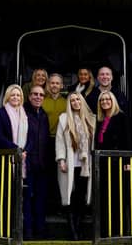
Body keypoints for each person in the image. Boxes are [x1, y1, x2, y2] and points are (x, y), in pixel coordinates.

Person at [55, 92, 95, 240]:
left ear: (82, 101)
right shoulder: (64, 119)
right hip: (70, 164)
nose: (76, 102)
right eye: (72, 100)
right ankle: (73, 232)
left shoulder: (91, 119)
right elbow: (59, 141)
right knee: (70, 196)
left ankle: (78, 229)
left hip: (85, 165)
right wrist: (61, 160)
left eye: (78, 99)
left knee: (81, 196)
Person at [95, 90, 131, 238]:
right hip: (103, 164)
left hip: (118, 163)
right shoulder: (100, 119)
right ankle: (105, 230)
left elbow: (128, 140)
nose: (105, 102)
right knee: (105, 197)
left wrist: (127, 162)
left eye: (107, 99)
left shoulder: (121, 117)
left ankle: (119, 230)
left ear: (113, 100)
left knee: (119, 197)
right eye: (102, 100)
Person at [23, 84, 51, 240]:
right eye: (35, 94)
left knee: (41, 199)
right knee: (27, 199)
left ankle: (40, 231)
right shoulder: (23, 113)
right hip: (28, 164)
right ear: (29, 96)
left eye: (41, 95)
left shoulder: (44, 114)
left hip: (42, 165)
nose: (38, 97)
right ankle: (27, 231)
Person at [42, 73, 67, 212]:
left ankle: (61, 205)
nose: (55, 85)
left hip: (62, 143)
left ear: (61, 85)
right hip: (46, 141)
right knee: (48, 174)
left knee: (61, 174)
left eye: (57, 83)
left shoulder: (67, 102)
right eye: (52, 83)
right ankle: (48, 205)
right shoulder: (42, 100)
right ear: (48, 85)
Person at [0, 84, 28, 152]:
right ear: (7, 97)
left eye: (18, 95)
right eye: (12, 95)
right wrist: (16, 148)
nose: (15, 97)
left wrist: (25, 150)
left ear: (21, 98)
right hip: (5, 154)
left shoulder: (25, 115)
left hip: (23, 155)